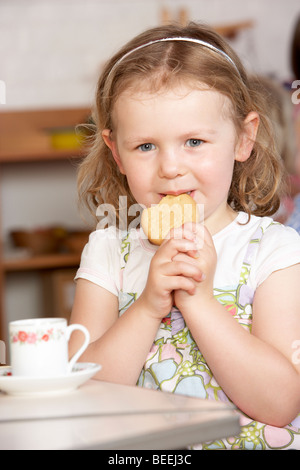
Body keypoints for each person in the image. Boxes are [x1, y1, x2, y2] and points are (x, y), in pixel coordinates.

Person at [69, 22, 300, 450]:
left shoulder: (276, 253)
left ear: (243, 138)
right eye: (145, 147)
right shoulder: (107, 254)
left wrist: (198, 300)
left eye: (194, 141)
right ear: (116, 151)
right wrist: (147, 306)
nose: (171, 167)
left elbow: (281, 403)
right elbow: (77, 395)